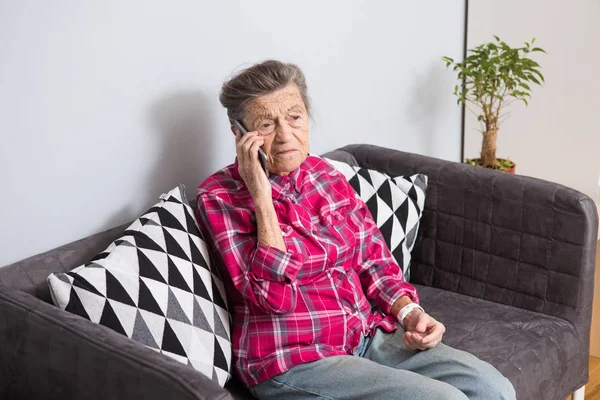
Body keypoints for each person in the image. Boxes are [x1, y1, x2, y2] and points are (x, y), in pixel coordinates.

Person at [195, 60, 516, 400]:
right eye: (266, 124)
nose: (286, 135)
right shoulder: (218, 198)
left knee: (493, 388)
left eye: (294, 116)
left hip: (364, 334)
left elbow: (373, 261)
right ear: (239, 132)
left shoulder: (326, 175)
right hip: (293, 358)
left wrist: (410, 313)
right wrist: (261, 195)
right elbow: (272, 301)